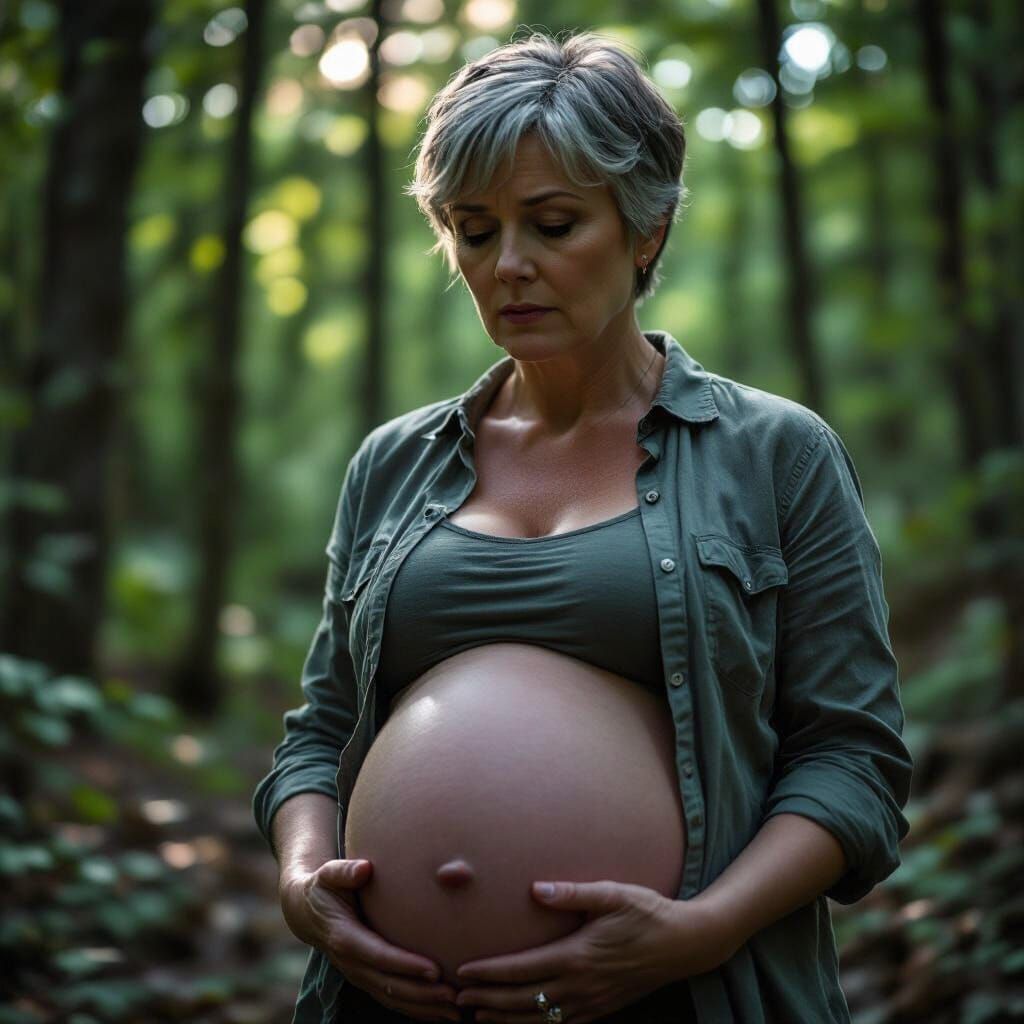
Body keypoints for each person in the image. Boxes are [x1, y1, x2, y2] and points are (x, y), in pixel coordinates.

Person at [253, 29, 913, 1024]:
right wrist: (304, 880)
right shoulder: (392, 464)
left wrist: (705, 928)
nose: (509, 264)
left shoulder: (776, 454)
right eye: (475, 231)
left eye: (553, 224)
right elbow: (321, 732)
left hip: (690, 1001)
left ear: (645, 230)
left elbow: (853, 760)